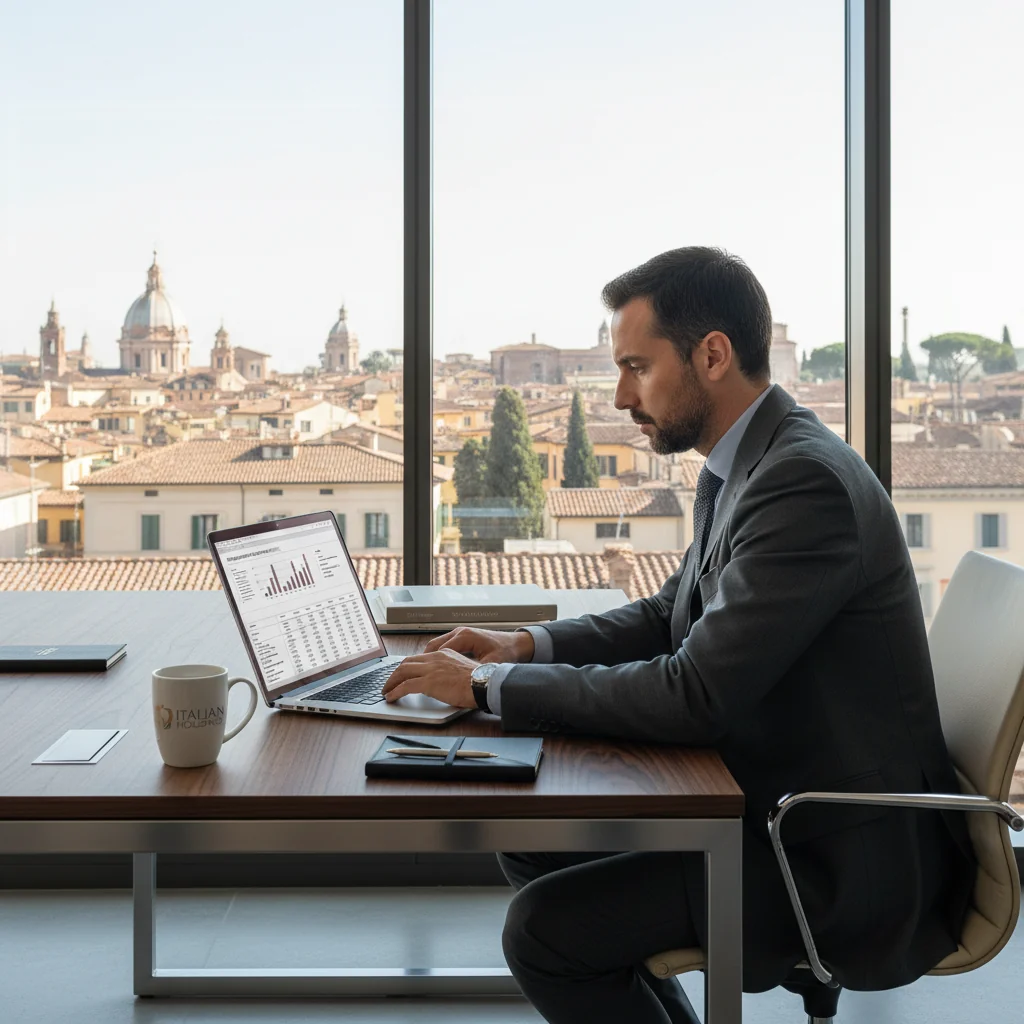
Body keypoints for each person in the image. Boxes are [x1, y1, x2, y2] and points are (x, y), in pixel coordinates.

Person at [382, 247, 974, 1024]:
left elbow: (696, 694)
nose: (623, 394)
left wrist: (489, 691)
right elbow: (670, 614)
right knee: (532, 839)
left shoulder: (803, 484)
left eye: (636, 366)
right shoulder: (747, 463)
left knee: (544, 933)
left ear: (714, 355)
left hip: (832, 857)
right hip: (772, 804)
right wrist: (523, 647)